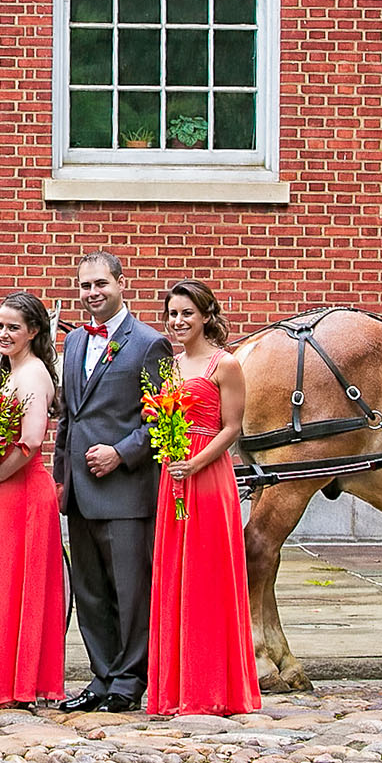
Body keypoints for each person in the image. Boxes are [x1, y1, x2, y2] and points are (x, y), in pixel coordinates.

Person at [55, 251, 170, 714]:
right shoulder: (75, 343)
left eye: (101, 283)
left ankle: (128, 680)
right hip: (80, 492)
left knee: (130, 590)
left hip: (126, 491)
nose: (92, 293)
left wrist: (121, 453)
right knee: (90, 591)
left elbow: (165, 419)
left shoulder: (149, 344)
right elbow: (69, 416)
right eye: (85, 286)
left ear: (121, 283)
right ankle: (101, 677)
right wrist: (61, 477)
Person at [147, 280, 259, 717]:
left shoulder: (224, 364)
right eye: (172, 315)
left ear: (206, 316)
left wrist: (195, 463)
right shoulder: (170, 366)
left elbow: (232, 428)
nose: (177, 322)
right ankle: (175, 688)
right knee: (175, 576)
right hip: (172, 475)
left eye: (186, 314)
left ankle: (213, 688)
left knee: (207, 575)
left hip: (208, 474)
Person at [0, 292, 66, 709]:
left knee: (14, 587)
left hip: (21, 493)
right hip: (0, 493)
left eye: (13, 328)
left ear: (33, 332)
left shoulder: (33, 375)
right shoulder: (8, 371)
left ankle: (19, 682)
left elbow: (31, 442)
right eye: (0, 326)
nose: (3, 334)